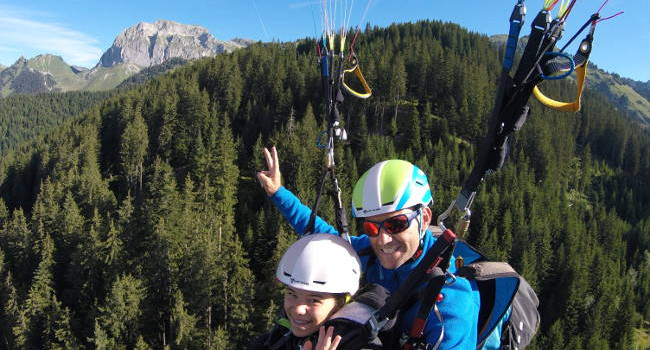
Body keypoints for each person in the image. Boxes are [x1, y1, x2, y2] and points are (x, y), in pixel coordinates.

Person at [257, 146, 481, 349]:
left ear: (424, 217)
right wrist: (278, 193)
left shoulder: (449, 299)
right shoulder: (368, 253)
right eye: (372, 228)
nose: (383, 240)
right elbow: (324, 236)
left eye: (396, 224)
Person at [248, 233, 389, 350]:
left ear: (341, 302)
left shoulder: (362, 343)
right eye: (292, 294)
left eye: (314, 300)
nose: (298, 309)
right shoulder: (282, 335)